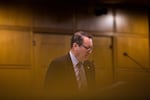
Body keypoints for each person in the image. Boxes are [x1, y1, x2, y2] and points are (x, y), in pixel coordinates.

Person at [44, 31, 95, 98]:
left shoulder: (90, 65)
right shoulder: (58, 65)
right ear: (75, 46)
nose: (90, 52)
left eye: (91, 48)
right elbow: (48, 92)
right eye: (87, 48)